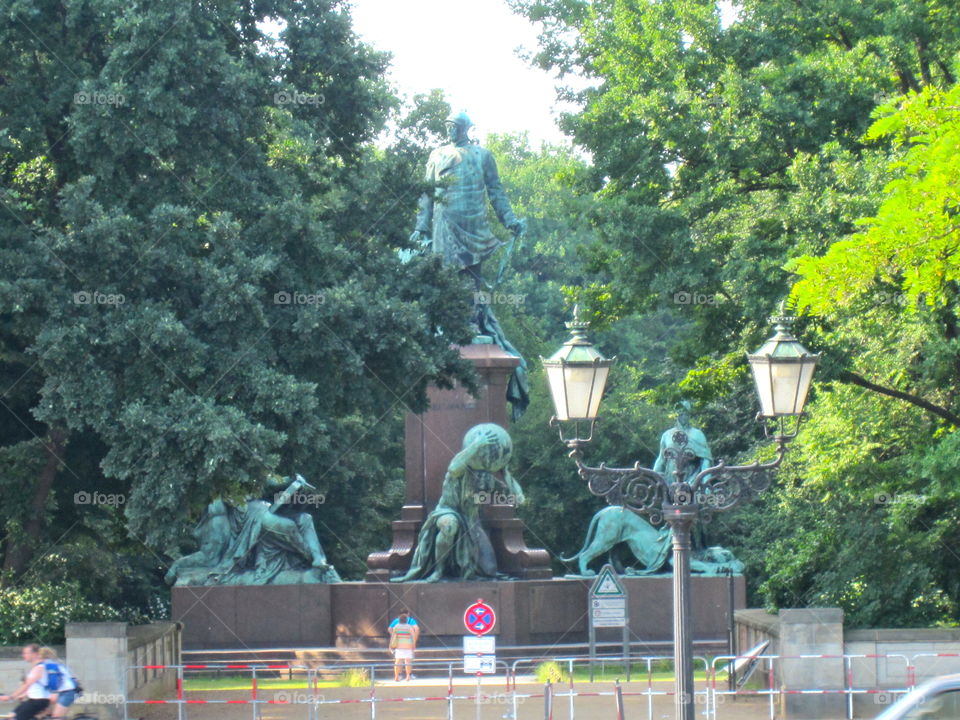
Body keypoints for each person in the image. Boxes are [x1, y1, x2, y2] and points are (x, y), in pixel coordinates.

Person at [410, 111, 530, 420]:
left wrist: (510, 220)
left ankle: (471, 326)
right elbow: (426, 194)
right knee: (445, 279)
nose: (450, 131)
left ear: (466, 127)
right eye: (447, 126)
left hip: (474, 226)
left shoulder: (482, 155)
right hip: (444, 225)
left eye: (455, 126)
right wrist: (420, 228)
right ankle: (450, 326)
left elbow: (496, 191)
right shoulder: (436, 155)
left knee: (471, 281)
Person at [391, 424, 525, 582]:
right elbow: (454, 467)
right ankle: (438, 571)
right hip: (447, 511)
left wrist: (505, 472)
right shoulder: (460, 470)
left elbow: (518, 499)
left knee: (489, 570)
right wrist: (478, 444)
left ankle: (460, 568)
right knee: (449, 525)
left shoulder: (486, 477)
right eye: (480, 452)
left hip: (471, 522)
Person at [0, 644, 50, 720]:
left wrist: (11, 697)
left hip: (38, 701)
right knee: (11, 715)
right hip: (33, 700)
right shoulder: (37, 667)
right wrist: (23, 695)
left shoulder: (39, 668)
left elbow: (27, 685)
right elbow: (33, 686)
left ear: (35, 654)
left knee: (15, 718)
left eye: (26, 653)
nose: (23, 655)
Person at [37, 648, 79, 719]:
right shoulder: (52, 664)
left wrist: (54, 692)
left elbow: (53, 680)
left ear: (41, 656)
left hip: (67, 692)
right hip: (63, 691)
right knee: (46, 714)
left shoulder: (49, 664)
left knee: (56, 717)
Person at [390, 612, 417, 681]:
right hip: (408, 646)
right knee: (408, 662)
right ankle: (408, 676)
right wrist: (414, 645)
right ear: (406, 620)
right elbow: (413, 636)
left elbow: (393, 637)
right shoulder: (409, 627)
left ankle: (396, 676)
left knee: (397, 662)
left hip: (399, 646)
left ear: (399, 620)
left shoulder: (396, 627)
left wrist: (390, 645)